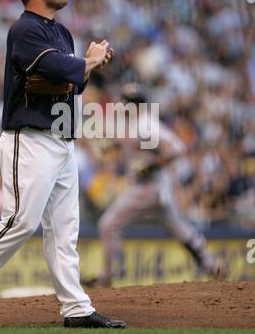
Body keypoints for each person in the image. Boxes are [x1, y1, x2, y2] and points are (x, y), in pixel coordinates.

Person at [0, 0, 126, 329]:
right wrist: (85, 63)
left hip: (62, 141)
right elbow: (65, 71)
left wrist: (86, 66)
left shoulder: (62, 33)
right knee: (19, 220)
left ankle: (76, 308)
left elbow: (74, 82)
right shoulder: (24, 30)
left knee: (65, 229)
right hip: (28, 139)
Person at [83, 83, 228, 288]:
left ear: (139, 105)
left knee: (108, 224)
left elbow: (178, 148)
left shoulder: (147, 124)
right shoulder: (130, 123)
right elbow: (121, 144)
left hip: (148, 187)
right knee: (179, 228)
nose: (123, 105)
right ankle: (212, 265)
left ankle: (106, 277)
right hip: (156, 189)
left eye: (128, 103)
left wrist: (153, 163)